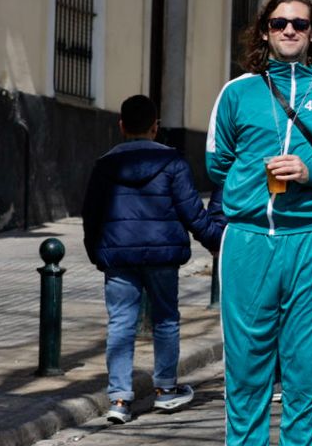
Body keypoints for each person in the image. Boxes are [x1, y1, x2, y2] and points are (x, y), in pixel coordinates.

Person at [206, 0, 312, 446]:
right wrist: (251, 191)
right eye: (279, 23)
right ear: (264, 31)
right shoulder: (237, 92)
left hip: (311, 239)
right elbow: (218, 161)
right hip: (248, 239)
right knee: (247, 361)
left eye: (299, 24)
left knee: (307, 362)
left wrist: (311, 174)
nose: (289, 30)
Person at [81, 94, 222, 424]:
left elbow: (91, 214)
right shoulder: (173, 162)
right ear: (155, 127)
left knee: (120, 322)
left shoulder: (105, 165)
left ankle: (119, 399)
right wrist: (216, 241)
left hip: (118, 255)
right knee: (166, 320)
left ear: (121, 126)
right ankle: (166, 390)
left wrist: (96, 253)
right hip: (162, 254)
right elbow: (191, 211)